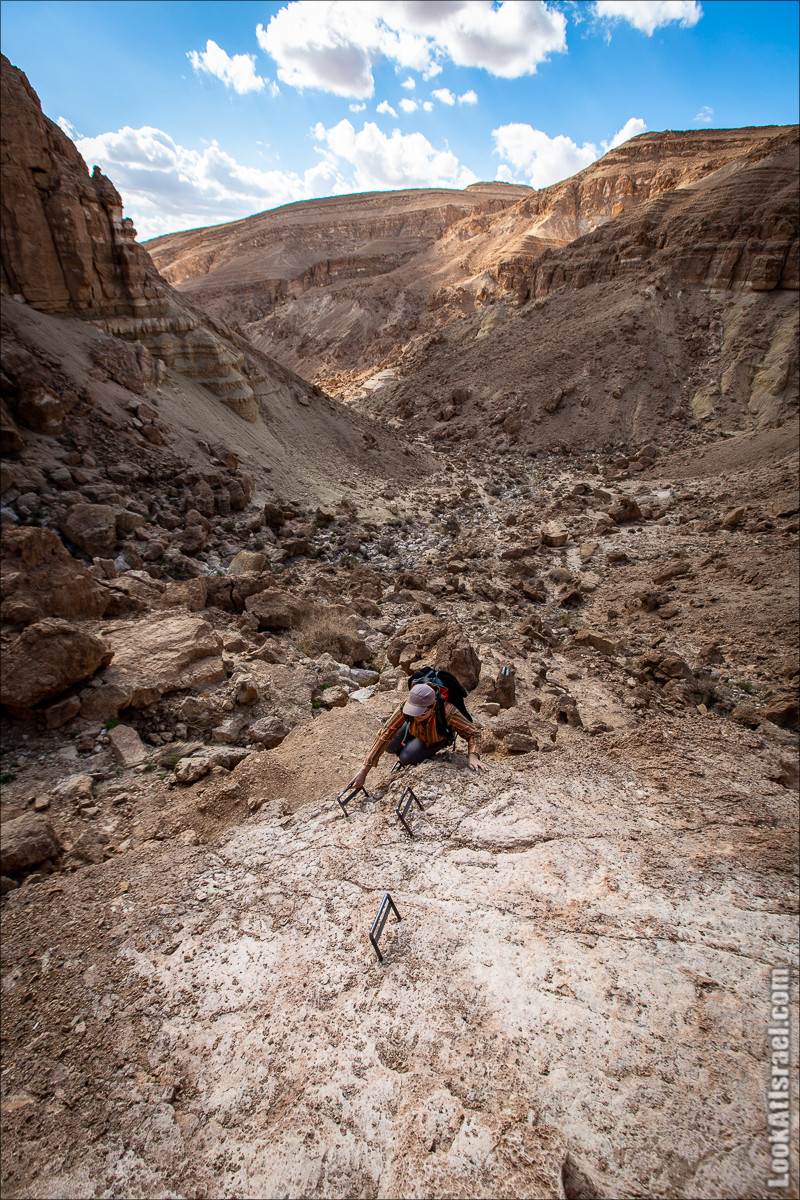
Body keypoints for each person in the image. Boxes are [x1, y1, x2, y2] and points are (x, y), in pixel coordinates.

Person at [345, 681, 489, 791]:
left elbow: (473, 733)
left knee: (406, 758)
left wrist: (473, 756)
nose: (415, 716)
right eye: (412, 712)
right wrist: (364, 770)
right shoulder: (407, 707)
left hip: (433, 739)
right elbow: (387, 732)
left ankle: (413, 748)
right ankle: (408, 742)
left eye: (420, 713)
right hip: (413, 729)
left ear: (432, 706)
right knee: (389, 745)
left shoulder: (448, 713)